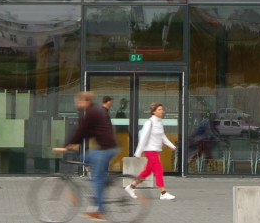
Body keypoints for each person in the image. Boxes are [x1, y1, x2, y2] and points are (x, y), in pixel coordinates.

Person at [55, 91, 119, 221]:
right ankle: (101, 179)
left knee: (96, 179)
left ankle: (100, 211)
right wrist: (72, 144)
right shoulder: (94, 112)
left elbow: (81, 131)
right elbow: (85, 132)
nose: (77, 104)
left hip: (106, 149)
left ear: (86, 101)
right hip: (106, 148)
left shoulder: (92, 113)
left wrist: (67, 146)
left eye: (79, 101)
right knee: (84, 158)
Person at [125, 102, 177, 201]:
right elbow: (144, 137)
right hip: (150, 150)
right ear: (154, 112)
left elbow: (162, 136)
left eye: (162, 109)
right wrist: (138, 152)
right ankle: (163, 193)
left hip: (155, 151)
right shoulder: (150, 122)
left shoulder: (159, 122)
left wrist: (171, 145)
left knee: (147, 171)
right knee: (159, 170)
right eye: (159, 110)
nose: (162, 111)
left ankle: (131, 187)